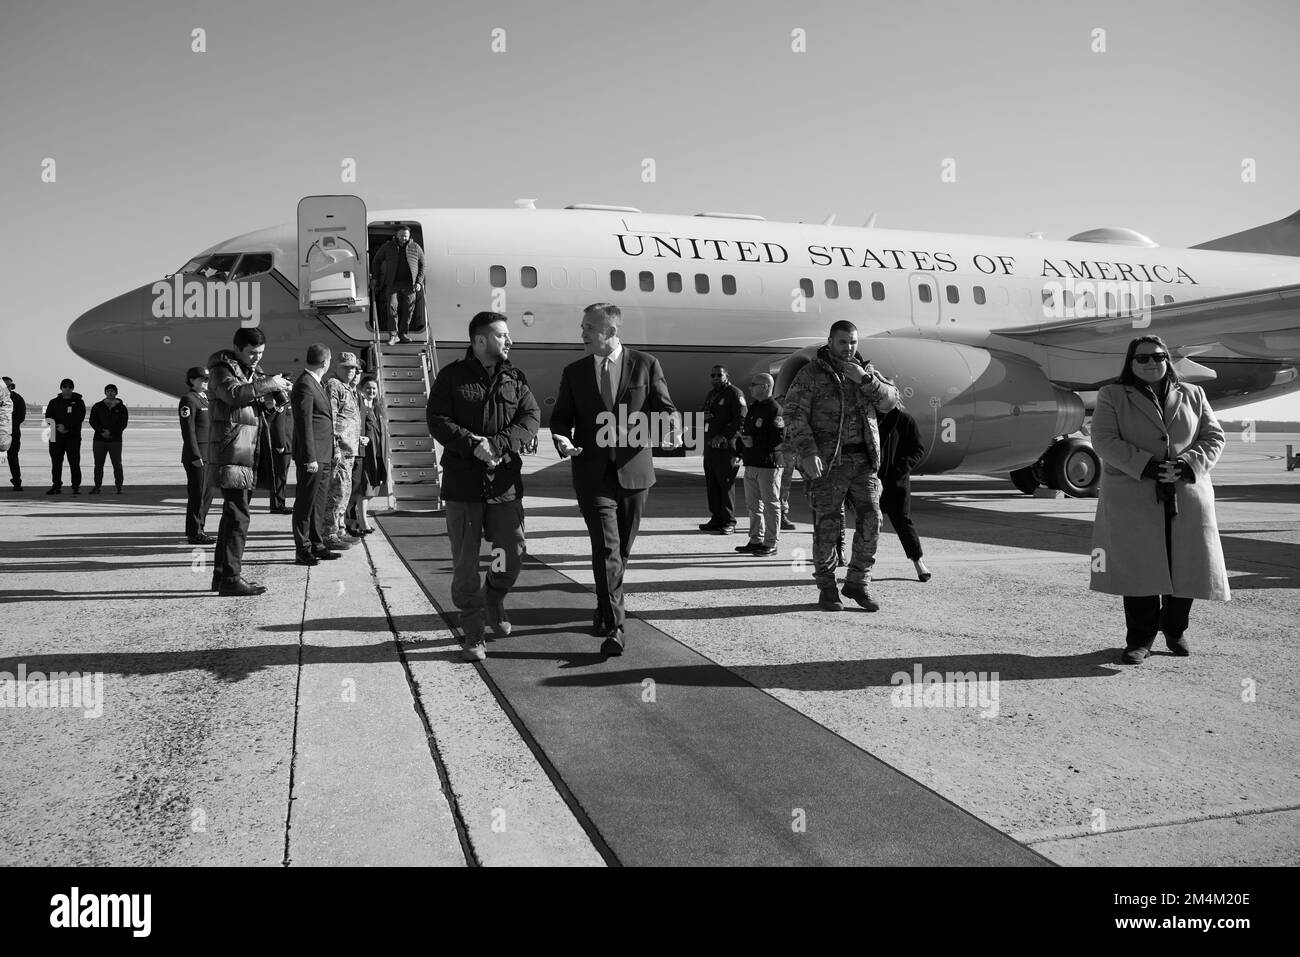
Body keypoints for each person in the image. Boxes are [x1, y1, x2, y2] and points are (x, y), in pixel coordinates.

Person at [1090, 334, 1230, 664]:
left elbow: (1214, 437)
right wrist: (1148, 467)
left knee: (1188, 565)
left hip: (1186, 492)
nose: (1152, 362)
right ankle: (1140, 639)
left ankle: (1175, 628)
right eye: (1143, 358)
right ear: (1131, 363)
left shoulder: (1193, 393)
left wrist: (1185, 465)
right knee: (1139, 568)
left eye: (1158, 356)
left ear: (1167, 359)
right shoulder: (1112, 395)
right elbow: (1104, 440)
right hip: (1134, 493)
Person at [551, 302, 680, 656]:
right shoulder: (574, 371)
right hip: (592, 472)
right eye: (583, 326)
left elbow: (665, 409)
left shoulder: (645, 364)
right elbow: (561, 418)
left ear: (610, 332)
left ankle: (604, 607)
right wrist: (562, 439)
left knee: (620, 551)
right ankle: (616, 627)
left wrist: (668, 427)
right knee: (606, 549)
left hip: (635, 473)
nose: (582, 333)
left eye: (589, 327)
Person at [427, 312, 539, 661]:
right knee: (465, 564)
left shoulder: (515, 377)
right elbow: (437, 420)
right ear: (480, 340)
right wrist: (473, 444)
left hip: (503, 485)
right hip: (463, 487)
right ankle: (473, 631)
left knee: (511, 552)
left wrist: (499, 444)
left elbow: (530, 418)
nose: (509, 341)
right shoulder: (451, 377)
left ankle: (494, 598)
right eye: (502, 335)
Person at [785, 320, 899, 612]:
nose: (848, 348)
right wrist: (808, 453)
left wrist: (864, 379)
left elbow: (890, 402)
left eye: (853, 343)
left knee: (872, 519)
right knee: (828, 526)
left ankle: (858, 583)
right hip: (828, 463)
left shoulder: (866, 372)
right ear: (831, 341)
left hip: (863, 461)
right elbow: (794, 414)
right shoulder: (811, 373)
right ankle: (826, 587)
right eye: (843, 342)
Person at [208, 328, 294, 596]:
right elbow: (234, 395)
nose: (257, 357)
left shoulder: (247, 372)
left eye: (261, 353)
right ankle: (231, 578)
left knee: (233, 515)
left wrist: (270, 404)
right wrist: (270, 384)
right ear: (237, 348)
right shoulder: (222, 370)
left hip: (244, 449)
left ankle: (222, 576)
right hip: (233, 450)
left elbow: (244, 409)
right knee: (238, 516)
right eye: (252, 352)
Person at [291, 343, 341, 566]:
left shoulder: (315, 383)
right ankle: (302, 549)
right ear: (325, 362)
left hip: (324, 454)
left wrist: (332, 450)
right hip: (312, 457)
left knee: (319, 503)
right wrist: (310, 457)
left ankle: (317, 544)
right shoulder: (305, 385)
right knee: (305, 503)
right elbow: (304, 425)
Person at [876, 405, 930, 582]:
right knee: (869, 523)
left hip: (897, 482)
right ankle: (865, 565)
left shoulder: (905, 420)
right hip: (873, 480)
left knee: (903, 521)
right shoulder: (871, 417)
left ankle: (918, 561)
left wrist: (901, 468)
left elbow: (917, 448)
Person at [735, 372, 785, 557]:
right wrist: (740, 452)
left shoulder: (775, 409)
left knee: (771, 505)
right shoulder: (754, 408)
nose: (750, 388)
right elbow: (746, 431)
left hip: (768, 465)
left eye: (754, 384)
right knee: (753, 504)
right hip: (752, 463)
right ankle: (756, 539)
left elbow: (779, 438)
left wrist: (754, 443)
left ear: (765, 387)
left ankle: (771, 542)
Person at [698, 365, 746, 533]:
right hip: (711, 447)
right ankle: (716, 518)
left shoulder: (734, 393)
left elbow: (741, 419)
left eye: (719, 375)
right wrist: (702, 416)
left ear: (727, 376)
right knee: (712, 483)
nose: (716, 377)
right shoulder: (712, 394)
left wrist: (724, 435)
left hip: (727, 447)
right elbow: (704, 413)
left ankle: (729, 521)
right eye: (713, 375)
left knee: (725, 484)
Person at [323, 352, 363, 549]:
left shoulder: (348, 388)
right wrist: (335, 446)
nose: (351, 370)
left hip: (350, 449)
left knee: (345, 491)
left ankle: (339, 529)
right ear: (336, 367)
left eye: (353, 367)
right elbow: (331, 417)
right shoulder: (334, 385)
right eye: (346, 367)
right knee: (336, 491)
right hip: (340, 449)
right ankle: (329, 533)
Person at [347, 375, 388, 537]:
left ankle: (353, 519)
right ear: (362, 390)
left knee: (373, 489)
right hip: (365, 454)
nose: (371, 391)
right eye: (368, 388)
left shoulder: (378, 408)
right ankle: (362, 521)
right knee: (365, 489)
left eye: (374, 388)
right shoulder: (360, 407)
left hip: (378, 454)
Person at [179, 366, 215, 545]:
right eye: (202, 379)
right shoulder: (189, 400)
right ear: (192, 380)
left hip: (208, 454)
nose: (205, 382)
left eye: (207, 379)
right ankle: (194, 533)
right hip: (197, 455)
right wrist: (195, 455)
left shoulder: (205, 400)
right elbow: (189, 431)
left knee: (207, 494)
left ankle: (200, 528)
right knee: (197, 494)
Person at [371, 226, 425, 346]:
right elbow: (377, 260)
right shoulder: (388, 246)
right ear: (396, 235)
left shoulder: (415, 247)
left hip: (410, 285)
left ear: (409, 235)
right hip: (392, 284)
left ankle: (403, 334)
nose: (403, 238)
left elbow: (422, 265)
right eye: (401, 235)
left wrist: (419, 282)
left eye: (405, 235)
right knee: (391, 309)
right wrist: (375, 277)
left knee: (408, 310)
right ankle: (393, 335)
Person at [45, 378, 86, 495]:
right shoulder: (54, 402)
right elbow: (48, 417)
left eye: (70, 387)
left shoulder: (78, 402)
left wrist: (67, 427)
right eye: (65, 387)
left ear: (73, 388)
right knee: (56, 462)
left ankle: (76, 486)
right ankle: (56, 485)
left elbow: (79, 418)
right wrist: (58, 426)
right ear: (61, 388)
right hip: (55, 436)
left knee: (74, 462)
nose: (67, 389)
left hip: (72, 436)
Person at [88, 384, 129, 494]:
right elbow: (92, 421)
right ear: (105, 392)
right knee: (98, 465)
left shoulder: (121, 407)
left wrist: (111, 432)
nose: (110, 393)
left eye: (113, 391)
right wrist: (102, 431)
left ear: (116, 393)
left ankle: (119, 487)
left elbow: (123, 424)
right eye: (108, 391)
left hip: (115, 440)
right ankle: (97, 486)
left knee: (117, 464)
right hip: (99, 440)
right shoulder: (98, 406)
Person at [262, 399, 293, 514]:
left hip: (288, 444)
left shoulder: (287, 400)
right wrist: (280, 443)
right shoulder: (282, 402)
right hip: (283, 445)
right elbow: (279, 423)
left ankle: (280, 503)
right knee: (279, 476)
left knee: (282, 476)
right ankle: (277, 505)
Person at [3, 377, 25, 490]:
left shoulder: (17, 399)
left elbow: (20, 416)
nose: (7, 388)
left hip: (12, 433)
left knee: (13, 457)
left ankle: (17, 482)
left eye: (9, 386)